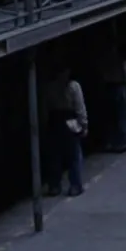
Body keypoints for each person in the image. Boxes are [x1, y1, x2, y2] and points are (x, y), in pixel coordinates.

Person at [42, 65, 87, 197]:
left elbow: (44, 108)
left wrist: (45, 124)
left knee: (55, 155)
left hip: (54, 121)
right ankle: (75, 185)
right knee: (74, 154)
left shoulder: (49, 86)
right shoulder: (73, 86)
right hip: (69, 120)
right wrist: (84, 125)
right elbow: (80, 107)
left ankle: (54, 185)